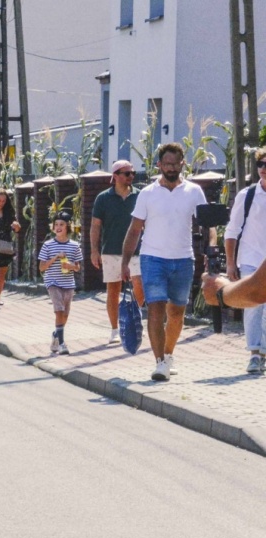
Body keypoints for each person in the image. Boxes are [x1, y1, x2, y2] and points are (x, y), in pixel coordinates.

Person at [122, 142, 209, 382]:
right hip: (153, 260)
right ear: (159, 165)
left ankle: (169, 354)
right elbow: (134, 230)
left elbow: (207, 223)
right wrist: (125, 263)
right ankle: (159, 362)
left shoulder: (194, 191)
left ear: (182, 164)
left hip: (183, 260)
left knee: (177, 313)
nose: (171, 168)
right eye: (166, 164)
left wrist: (210, 252)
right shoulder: (147, 194)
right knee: (156, 310)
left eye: (175, 164)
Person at [221, 147, 266, 374]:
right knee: (253, 307)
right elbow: (232, 231)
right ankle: (255, 354)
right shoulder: (246, 196)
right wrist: (231, 263)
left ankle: (264, 352)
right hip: (250, 259)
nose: (265, 169)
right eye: (262, 165)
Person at [89, 159, 144, 344]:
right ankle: (114, 329)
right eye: (126, 173)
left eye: (132, 173)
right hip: (111, 249)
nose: (131, 176)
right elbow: (95, 226)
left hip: (136, 250)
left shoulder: (140, 195)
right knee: (113, 290)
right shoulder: (103, 198)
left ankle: (133, 319)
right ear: (115, 176)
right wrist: (94, 251)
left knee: (140, 286)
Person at [39, 211, 84, 355]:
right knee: (58, 310)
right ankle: (62, 343)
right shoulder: (48, 245)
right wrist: (55, 258)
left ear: (68, 227)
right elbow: (42, 267)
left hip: (68, 283)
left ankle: (56, 335)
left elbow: (77, 268)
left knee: (65, 314)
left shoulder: (74, 246)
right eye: (56, 224)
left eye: (62, 224)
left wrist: (70, 266)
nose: (58, 227)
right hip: (53, 282)